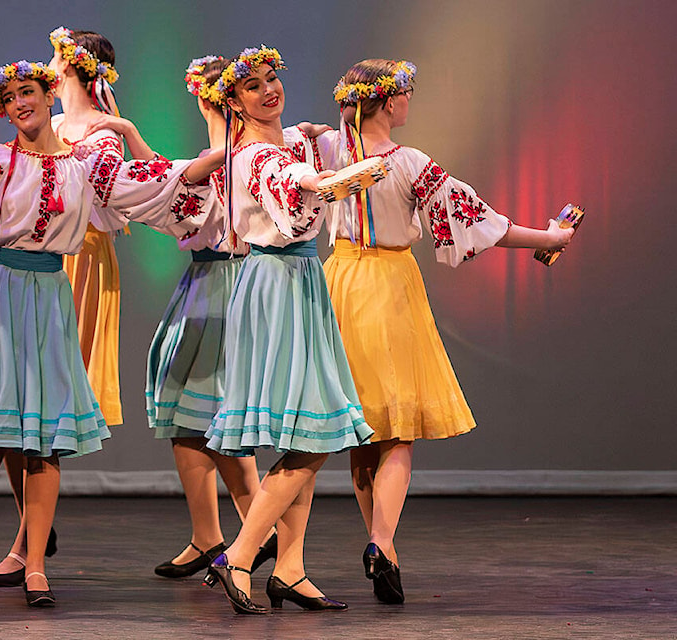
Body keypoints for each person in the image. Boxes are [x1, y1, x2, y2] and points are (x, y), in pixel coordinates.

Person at [0, 60, 220, 607]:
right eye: (9, 98)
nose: (20, 104)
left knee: (45, 441)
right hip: (1, 294)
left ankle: (35, 565)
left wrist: (226, 156)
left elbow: (149, 183)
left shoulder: (86, 167)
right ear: (2, 109)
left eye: (27, 92)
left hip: (51, 296)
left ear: (47, 93)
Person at [319, 59, 576, 604]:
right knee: (398, 425)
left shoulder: (327, 152)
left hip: (338, 280)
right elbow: (475, 218)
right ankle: (381, 544)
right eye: (406, 94)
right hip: (388, 285)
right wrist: (548, 238)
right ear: (389, 102)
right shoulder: (408, 162)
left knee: (363, 425)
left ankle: (382, 547)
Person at [201, 46, 374, 614]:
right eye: (252, 86)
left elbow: (312, 151)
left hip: (300, 279)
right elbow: (291, 180)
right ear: (234, 101)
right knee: (312, 433)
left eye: (272, 78)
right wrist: (325, 180)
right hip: (277, 281)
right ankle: (243, 554)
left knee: (308, 433)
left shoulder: (292, 139)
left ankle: (292, 569)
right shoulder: (252, 155)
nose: (268, 90)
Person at [0, 25, 135, 590]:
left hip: (76, 262)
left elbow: (111, 197)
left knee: (41, 403)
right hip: (27, 264)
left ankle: (27, 542)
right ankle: (30, 532)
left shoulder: (98, 131)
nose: (47, 64)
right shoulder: (47, 121)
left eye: (55, 58)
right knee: (11, 399)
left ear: (72, 65)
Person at [145, 56, 275, 579]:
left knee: (221, 415)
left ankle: (256, 535)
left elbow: (193, 185)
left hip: (232, 283)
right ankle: (208, 536)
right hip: (202, 283)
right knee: (185, 414)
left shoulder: (245, 154)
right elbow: (161, 190)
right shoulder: (216, 153)